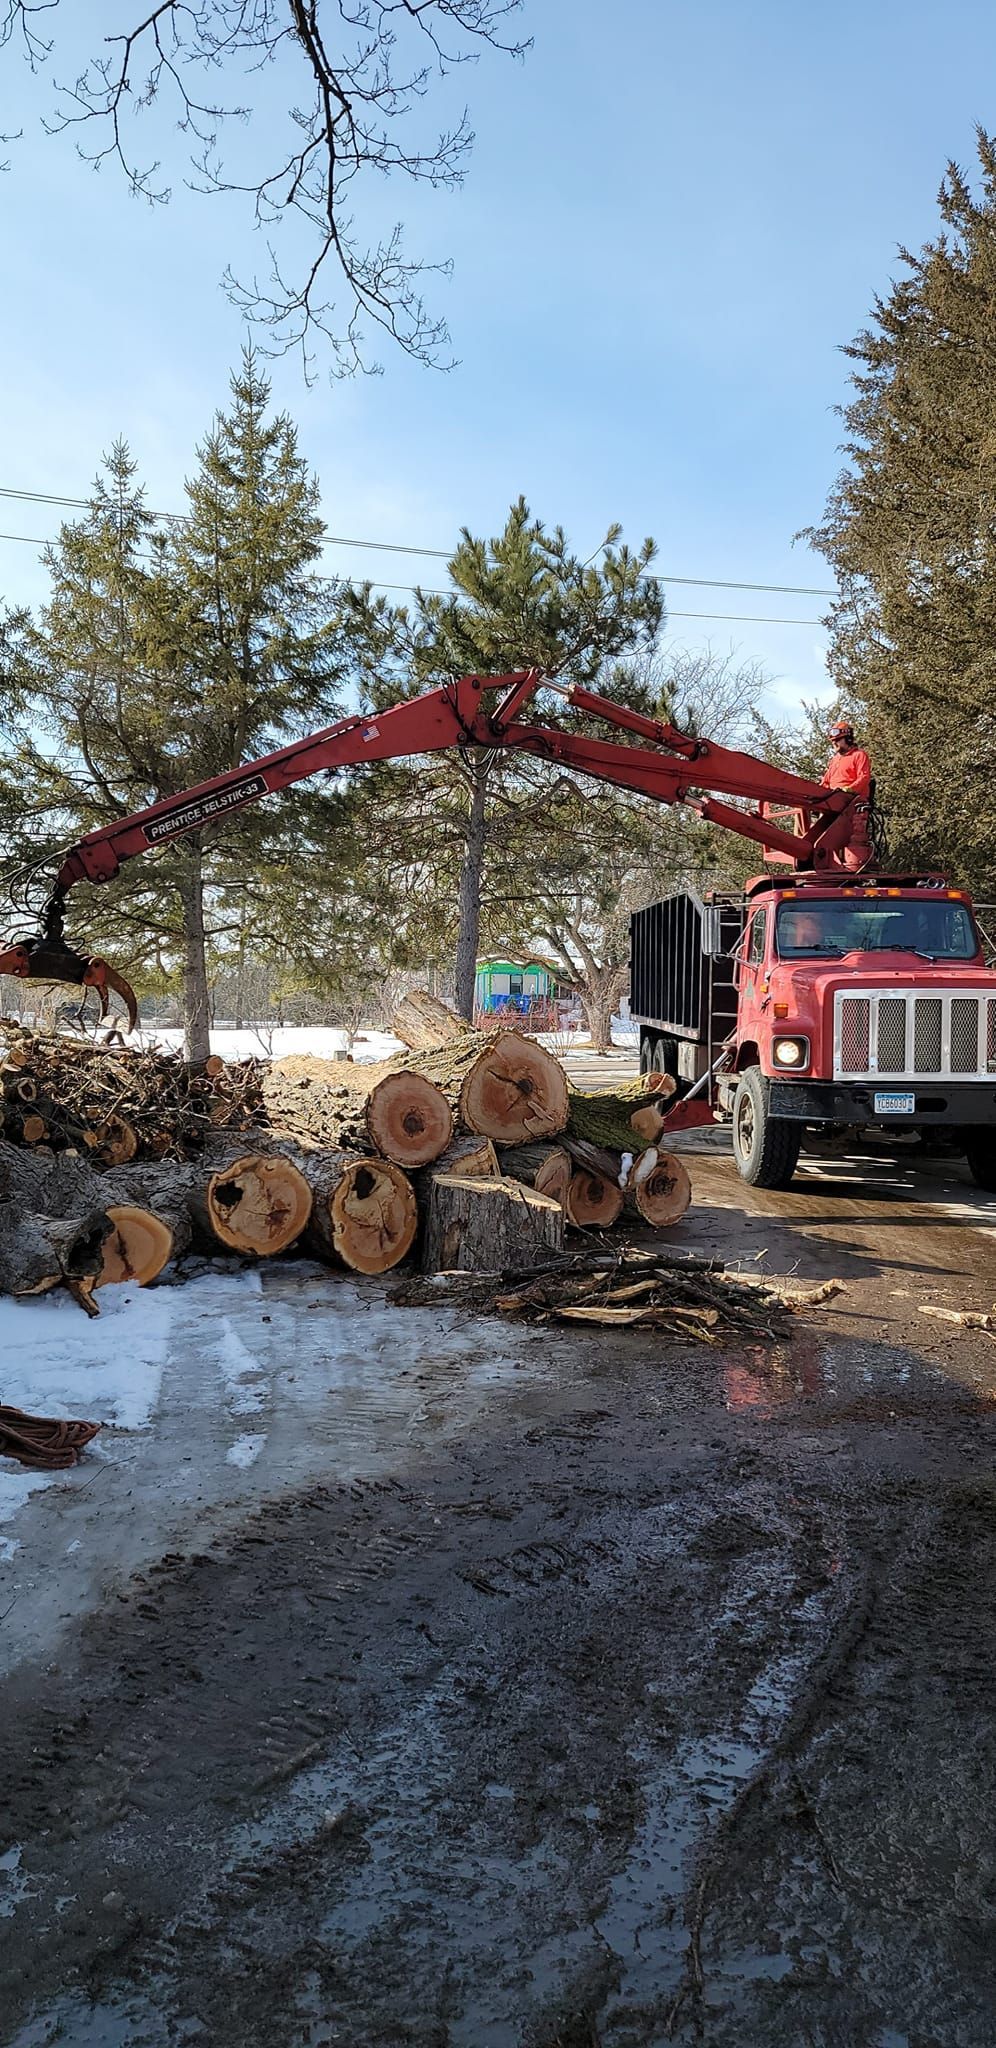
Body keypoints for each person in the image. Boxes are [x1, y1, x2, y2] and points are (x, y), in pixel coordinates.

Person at [822, 719, 873, 870]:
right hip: (833, 803)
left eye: (838, 740)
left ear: (848, 738)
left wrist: (849, 789)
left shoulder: (859, 755)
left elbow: (864, 777)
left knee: (846, 836)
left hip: (852, 804)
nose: (835, 744)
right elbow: (826, 781)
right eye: (833, 741)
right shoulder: (835, 760)